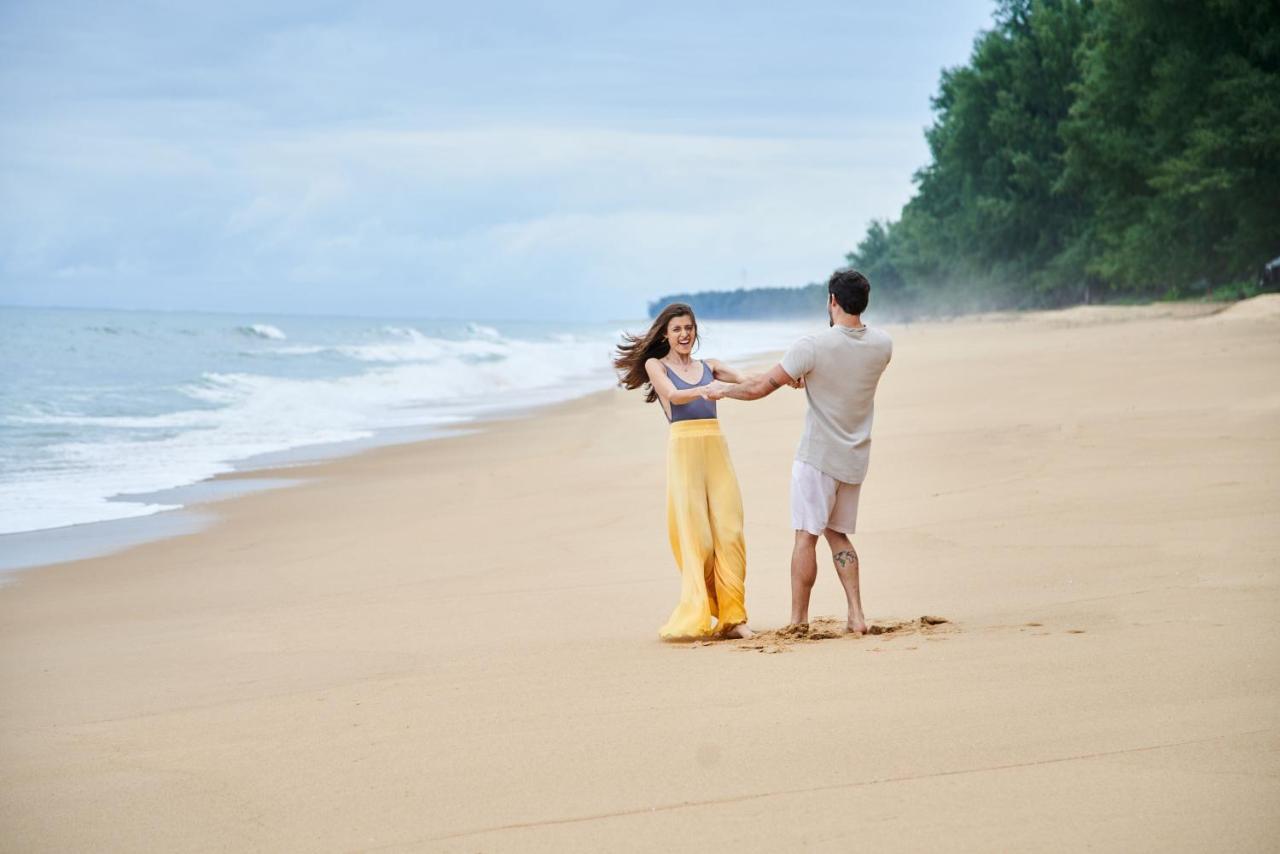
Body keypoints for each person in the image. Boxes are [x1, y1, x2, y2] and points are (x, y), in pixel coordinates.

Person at [708, 268, 892, 635]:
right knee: (837, 535)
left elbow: (760, 387)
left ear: (832, 301)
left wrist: (721, 390)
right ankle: (856, 615)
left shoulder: (812, 346)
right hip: (854, 457)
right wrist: (810, 375)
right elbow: (843, 373)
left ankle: (798, 620)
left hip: (818, 457)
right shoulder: (882, 345)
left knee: (805, 535)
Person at [614, 303, 757, 640]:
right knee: (700, 540)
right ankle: (708, 609)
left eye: (689, 328)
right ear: (665, 333)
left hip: (715, 449)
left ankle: (735, 617)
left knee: (730, 531)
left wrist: (786, 379)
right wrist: (706, 390)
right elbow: (674, 396)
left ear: (695, 332)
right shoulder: (655, 365)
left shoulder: (712, 366)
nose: (684, 334)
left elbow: (750, 382)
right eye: (677, 328)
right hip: (684, 451)